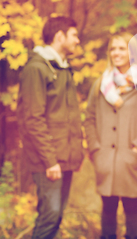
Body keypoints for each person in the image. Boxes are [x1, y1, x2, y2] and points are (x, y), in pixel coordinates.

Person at [84, 32, 137, 239]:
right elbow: (89, 117)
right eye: (113, 49)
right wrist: (95, 148)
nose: (116, 53)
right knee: (107, 210)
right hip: (105, 158)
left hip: (130, 159)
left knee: (132, 209)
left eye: (121, 48)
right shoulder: (100, 84)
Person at [17, 16, 84, 239]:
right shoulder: (37, 68)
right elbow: (33, 119)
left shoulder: (62, 69)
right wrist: (50, 161)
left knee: (55, 215)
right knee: (50, 214)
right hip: (49, 160)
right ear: (59, 36)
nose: (77, 41)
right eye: (74, 35)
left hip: (63, 158)